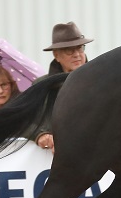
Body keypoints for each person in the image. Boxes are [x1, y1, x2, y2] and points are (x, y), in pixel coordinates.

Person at [32, 21, 93, 152]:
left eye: (80, 47)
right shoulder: (41, 87)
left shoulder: (101, 81)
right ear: (56, 55)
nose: (77, 54)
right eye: (69, 50)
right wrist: (41, 135)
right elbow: (26, 122)